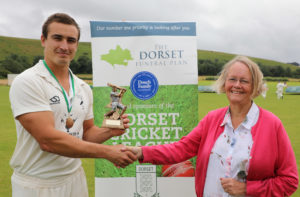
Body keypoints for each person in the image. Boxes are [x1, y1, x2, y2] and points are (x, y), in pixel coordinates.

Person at [124, 56, 298, 196]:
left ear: (255, 86)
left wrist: (247, 189)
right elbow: (181, 148)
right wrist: (142, 151)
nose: (237, 85)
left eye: (244, 81)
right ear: (224, 83)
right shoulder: (212, 119)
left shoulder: (272, 124)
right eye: (232, 79)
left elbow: (289, 181)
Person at [9, 13, 137, 197]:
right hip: (38, 184)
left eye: (71, 40)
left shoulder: (83, 87)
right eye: (57, 38)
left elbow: (86, 133)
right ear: (43, 40)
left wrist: (109, 131)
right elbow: (48, 140)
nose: (64, 46)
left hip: (75, 179)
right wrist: (108, 152)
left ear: (76, 45)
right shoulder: (28, 81)